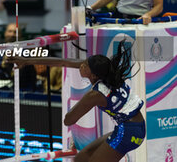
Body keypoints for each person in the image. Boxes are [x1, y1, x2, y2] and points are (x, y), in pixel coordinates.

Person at [8, 40, 145, 162]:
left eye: (84, 65)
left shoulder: (95, 95)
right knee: (81, 158)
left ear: (93, 75)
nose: (81, 65)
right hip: (131, 127)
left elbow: (68, 120)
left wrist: (81, 102)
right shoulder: (106, 72)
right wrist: (26, 61)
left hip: (128, 132)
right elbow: (62, 62)